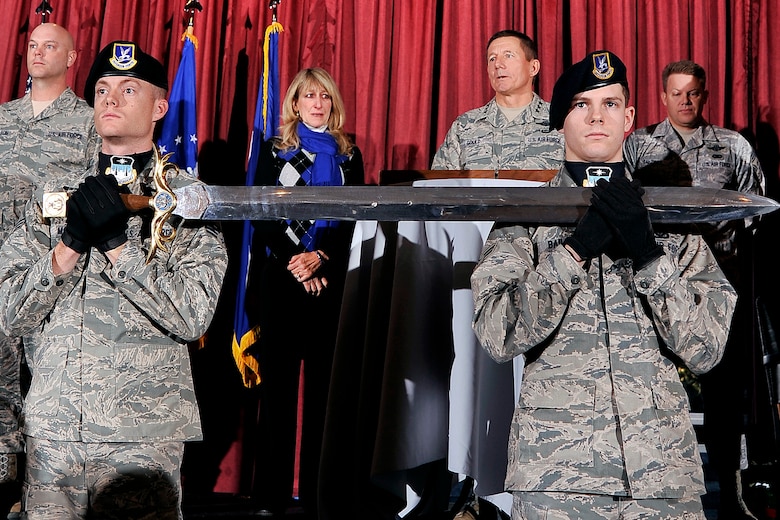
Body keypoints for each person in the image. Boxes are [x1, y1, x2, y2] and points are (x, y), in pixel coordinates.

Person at [471, 50, 737, 519]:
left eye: (611, 104)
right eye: (581, 105)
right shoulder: (525, 219)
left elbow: (705, 348)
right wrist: (572, 252)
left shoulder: (667, 221)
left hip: (661, 475)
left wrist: (649, 254)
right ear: (559, 121)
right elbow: (496, 333)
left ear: (630, 116)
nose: (597, 116)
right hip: (559, 477)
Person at [0, 40, 227, 518]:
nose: (111, 99)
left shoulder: (187, 202)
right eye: (102, 88)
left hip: (141, 435)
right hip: (55, 432)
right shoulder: (55, 198)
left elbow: (191, 315)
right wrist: (69, 246)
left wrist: (118, 249)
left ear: (160, 107)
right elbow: (12, 314)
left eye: (129, 89)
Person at [624, 60, 765, 519]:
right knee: (648, 386)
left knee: (724, 395)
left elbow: (757, 214)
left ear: (705, 95)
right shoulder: (640, 147)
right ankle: (649, 490)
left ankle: (729, 490)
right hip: (655, 284)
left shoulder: (732, 146)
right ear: (662, 96)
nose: (685, 101)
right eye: (677, 93)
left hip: (717, 287)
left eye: (694, 93)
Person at [249, 67, 364, 517]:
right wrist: (296, 261)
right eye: (308, 96)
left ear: (333, 104)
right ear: (294, 104)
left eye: (325, 97)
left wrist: (322, 258)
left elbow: (355, 215)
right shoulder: (275, 150)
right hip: (282, 279)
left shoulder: (349, 154)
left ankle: (321, 496)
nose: (317, 103)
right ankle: (271, 497)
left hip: (329, 282)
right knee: (277, 393)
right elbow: (258, 212)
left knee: (324, 392)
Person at [0, 22, 97, 514]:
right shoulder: (3, 119)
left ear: (72, 57)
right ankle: (2, 487)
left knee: (47, 389)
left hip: (52, 277)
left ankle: (40, 494)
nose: (38, 54)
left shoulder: (88, 124)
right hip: (1, 275)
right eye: (33, 46)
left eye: (50, 46)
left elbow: (96, 204)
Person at [431, 29, 563, 171]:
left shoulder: (560, 121)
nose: (498, 64)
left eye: (508, 56)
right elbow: (440, 185)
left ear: (533, 67)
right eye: (492, 58)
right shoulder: (465, 126)